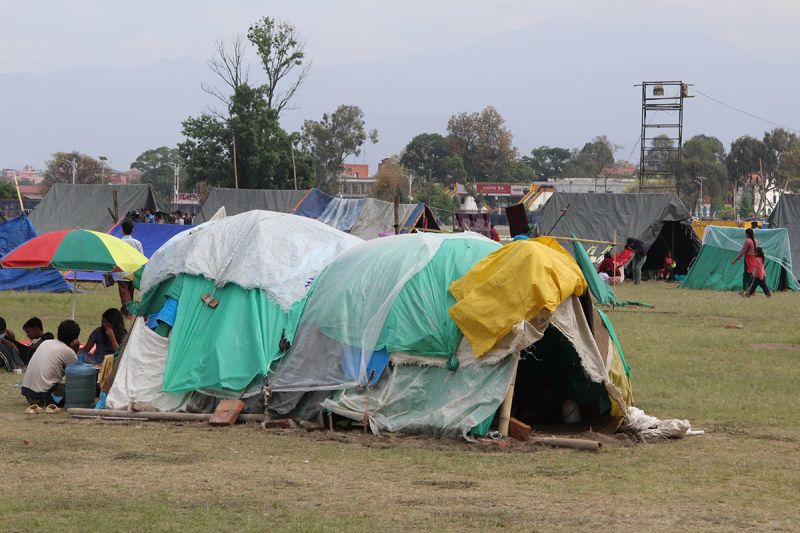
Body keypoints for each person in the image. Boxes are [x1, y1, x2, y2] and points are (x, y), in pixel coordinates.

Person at [20, 320, 81, 407]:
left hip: (29, 395)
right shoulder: (69, 352)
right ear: (75, 339)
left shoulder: (46, 342)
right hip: (43, 397)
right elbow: (78, 376)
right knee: (79, 390)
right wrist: (75, 351)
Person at [117, 219, 143, 318]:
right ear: (132, 230)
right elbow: (141, 258)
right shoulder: (137, 243)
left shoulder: (118, 242)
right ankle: (129, 311)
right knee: (130, 292)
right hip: (133, 271)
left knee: (124, 293)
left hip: (121, 271)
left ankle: (128, 313)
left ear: (122, 230)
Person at [732, 227, 759, 292]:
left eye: (745, 233)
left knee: (747, 274)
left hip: (748, 259)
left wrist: (736, 259)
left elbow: (742, 251)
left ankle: (748, 289)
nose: (745, 235)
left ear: (747, 234)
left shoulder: (748, 241)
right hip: (754, 259)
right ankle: (748, 289)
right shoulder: (756, 241)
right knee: (748, 274)